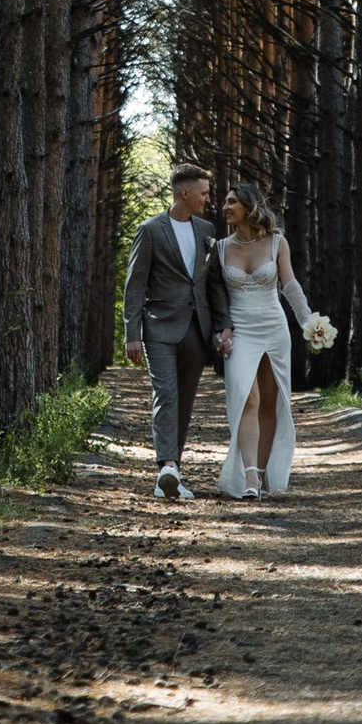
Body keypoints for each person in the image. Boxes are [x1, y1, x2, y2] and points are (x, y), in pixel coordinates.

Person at [122, 162, 231, 499]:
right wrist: (131, 333)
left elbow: (213, 283)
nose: (208, 199)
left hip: (197, 331)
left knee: (184, 402)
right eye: (203, 193)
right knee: (165, 394)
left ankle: (174, 472)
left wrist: (223, 324)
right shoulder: (151, 229)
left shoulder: (206, 229)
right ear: (185, 192)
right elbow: (135, 284)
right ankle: (166, 466)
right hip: (158, 329)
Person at [215, 183, 317, 498]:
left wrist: (309, 322)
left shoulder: (276, 243)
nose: (225, 206)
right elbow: (214, 297)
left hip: (274, 328)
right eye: (224, 201)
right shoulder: (219, 248)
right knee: (248, 398)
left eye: (232, 201)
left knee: (270, 404)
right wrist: (221, 329)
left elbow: (290, 285)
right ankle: (247, 478)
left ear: (249, 206)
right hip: (240, 331)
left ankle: (260, 474)